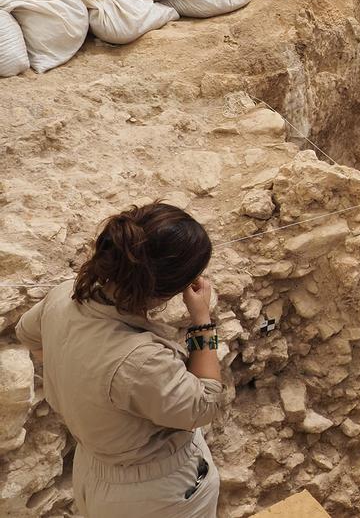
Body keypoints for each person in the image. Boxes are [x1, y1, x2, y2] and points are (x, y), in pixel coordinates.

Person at [15, 203, 223, 517]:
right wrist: (202, 321)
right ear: (173, 287)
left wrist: (84, 380)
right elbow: (204, 406)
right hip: (157, 491)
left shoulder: (62, 296)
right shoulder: (141, 360)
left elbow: (28, 334)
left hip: (94, 468)